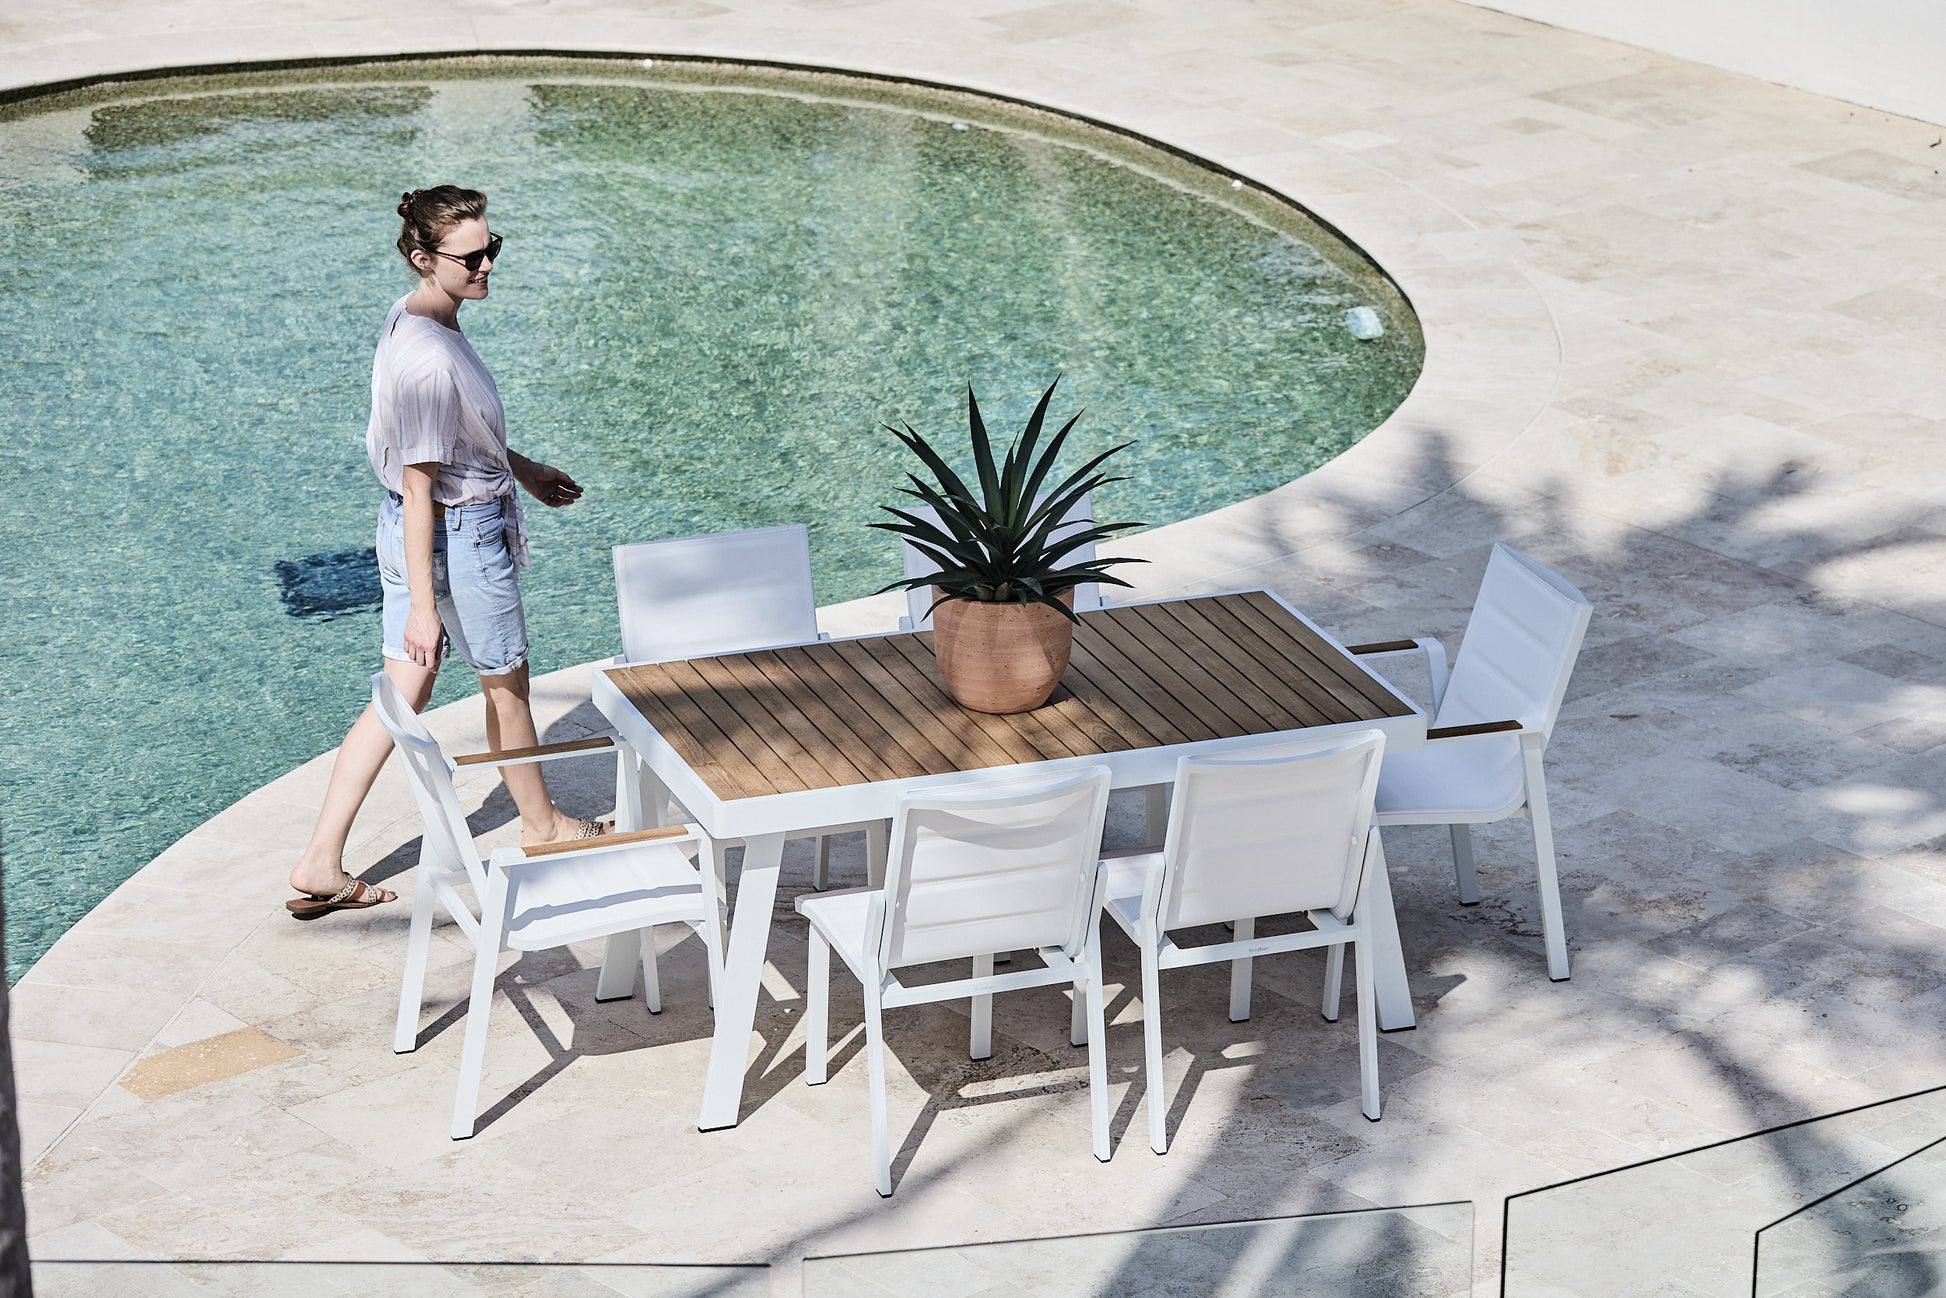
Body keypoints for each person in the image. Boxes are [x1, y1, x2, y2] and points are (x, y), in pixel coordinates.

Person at [286, 185, 606, 918]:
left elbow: (444, 452)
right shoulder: (429, 357)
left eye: (494, 247)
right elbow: (423, 482)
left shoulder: (415, 314)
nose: (488, 263)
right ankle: (544, 823)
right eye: (472, 255)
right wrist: (426, 608)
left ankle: (318, 859)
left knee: (404, 688)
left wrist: (521, 467)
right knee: (505, 684)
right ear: (423, 257)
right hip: (454, 537)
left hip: (413, 526)